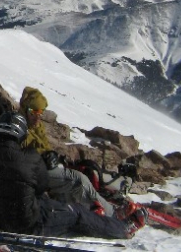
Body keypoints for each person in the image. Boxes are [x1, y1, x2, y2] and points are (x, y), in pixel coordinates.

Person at [0, 112, 146, 239]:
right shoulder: (30, 158)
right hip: (29, 224)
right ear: (20, 135)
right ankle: (121, 228)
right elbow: (41, 188)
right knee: (76, 213)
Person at [18, 87, 116, 216]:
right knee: (78, 180)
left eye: (40, 112)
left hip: (41, 169)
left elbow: (44, 148)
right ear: (25, 110)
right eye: (33, 112)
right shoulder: (19, 127)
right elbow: (20, 158)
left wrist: (50, 156)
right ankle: (112, 214)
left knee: (82, 174)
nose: (37, 117)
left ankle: (88, 210)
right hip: (33, 173)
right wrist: (42, 159)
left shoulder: (37, 127)